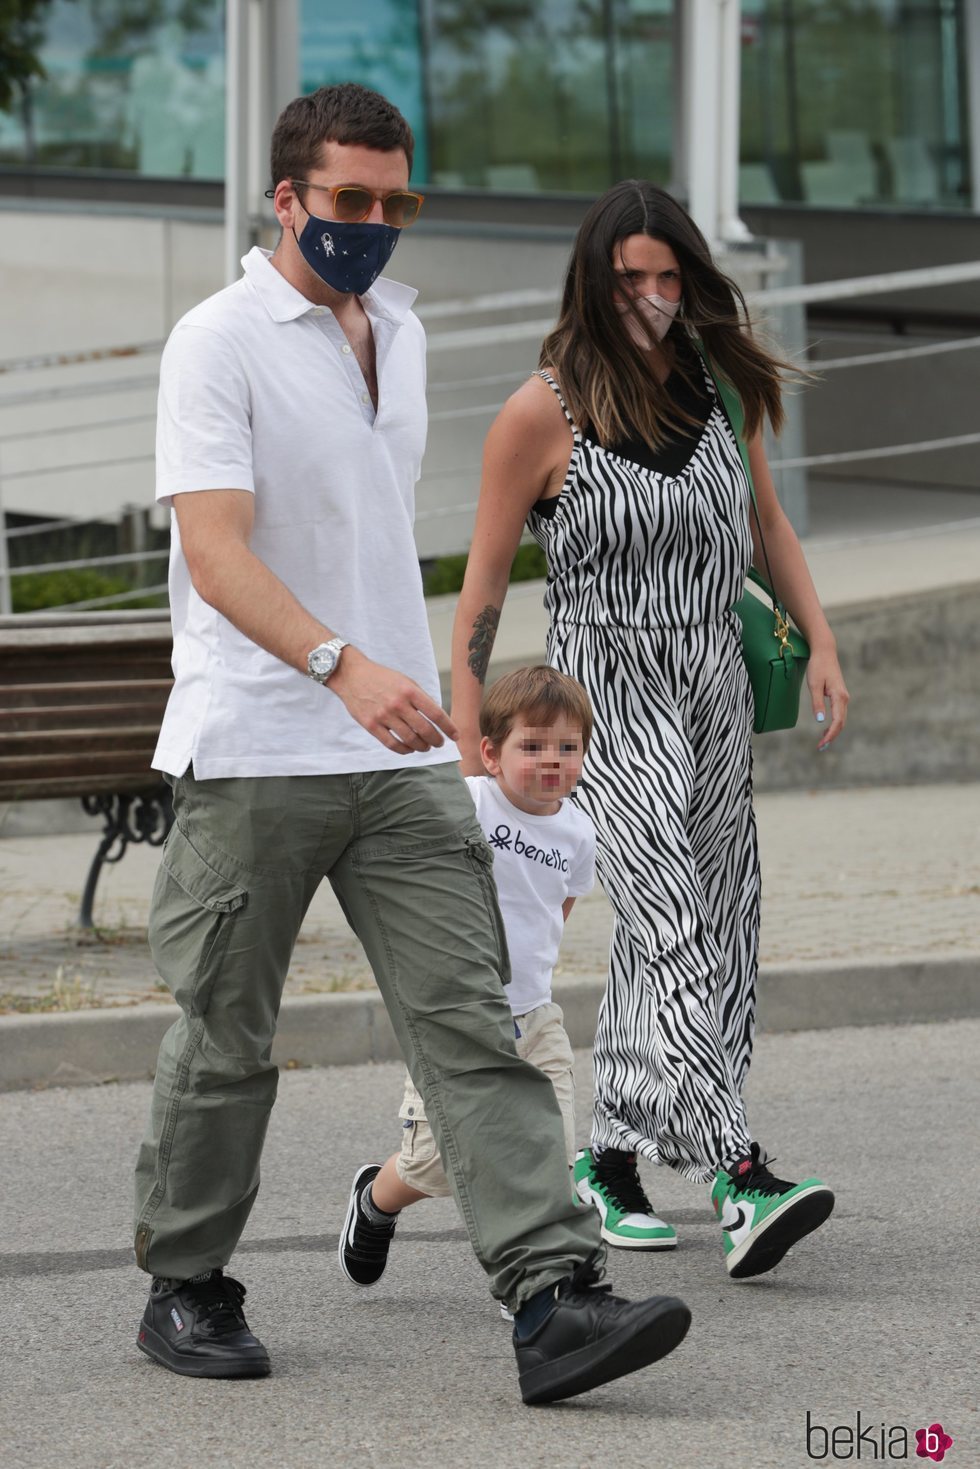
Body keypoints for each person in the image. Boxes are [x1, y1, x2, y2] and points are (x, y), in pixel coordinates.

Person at [132, 86, 691, 1403]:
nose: (376, 225)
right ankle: (189, 1283)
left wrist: (435, 697)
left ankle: (554, 1299)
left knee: (477, 1026)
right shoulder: (216, 342)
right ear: (288, 200)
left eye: (398, 203)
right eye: (350, 203)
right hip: (259, 745)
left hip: (400, 759)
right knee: (226, 1037)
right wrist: (341, 663)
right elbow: (213, 549)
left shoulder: (405, 331)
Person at [450, 179, 849, 1280]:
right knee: (665, 913)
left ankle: (610, 1163)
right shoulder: (542, 411)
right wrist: (462, 734)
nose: (654, 298)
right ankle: (735, 1169)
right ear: (592, 280)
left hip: (711, 674)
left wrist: (818, 639)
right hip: (602, 688)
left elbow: (766, 523)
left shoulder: (716, 386)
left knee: (714, 914)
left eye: (669, 277)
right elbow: (481, 586)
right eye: (631, 279)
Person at [339, 666, 598, 1311]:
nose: (551, 762)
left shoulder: (579, 832)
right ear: (491, 753)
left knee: (553, 1146)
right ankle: (374, 1200)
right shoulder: (472, 802)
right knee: (434, 1163)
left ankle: (541, 1278)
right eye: (532, 746)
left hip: (535, 1016)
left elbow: (556, 909)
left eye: (567, 748)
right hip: (457, 1014)